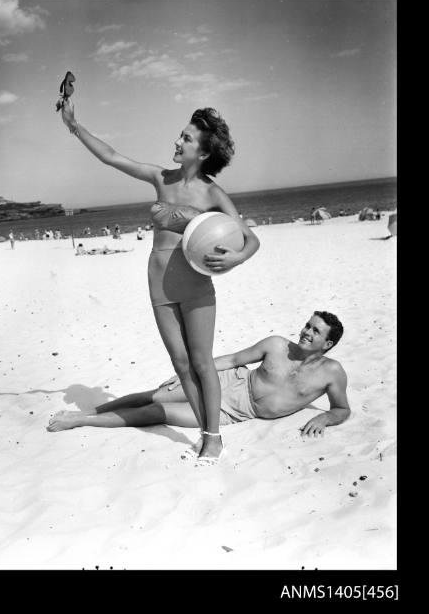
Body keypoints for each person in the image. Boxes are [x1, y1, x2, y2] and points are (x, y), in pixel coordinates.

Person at [60, 99, 260, 463]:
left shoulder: (213, 193)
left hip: (196, 288)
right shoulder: (160, 177)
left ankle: (213, 439)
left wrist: (232, 260)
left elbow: (251, 240)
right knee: (181, 364)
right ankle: (205, 431)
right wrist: (74, 125)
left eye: (186, 138)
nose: (178, 141)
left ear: (202, 151)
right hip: (159, 286)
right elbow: (110, 156)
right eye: (181, 135)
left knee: (201, 363)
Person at [47, 311, 350, 452]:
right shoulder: (276, 345)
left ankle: (80, 421)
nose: (306, 332)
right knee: (154, 396)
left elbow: (341, 409)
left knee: (155, 414)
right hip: (228, 382)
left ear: (327, 344)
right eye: (307, 325)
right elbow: (232, 360)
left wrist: (324, 418)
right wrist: (191, 370)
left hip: (231, 413)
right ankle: (93, 412)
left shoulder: (332, 373)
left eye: (315, 331)